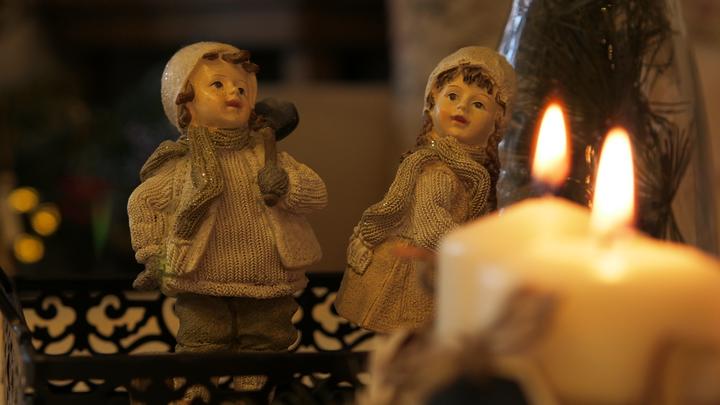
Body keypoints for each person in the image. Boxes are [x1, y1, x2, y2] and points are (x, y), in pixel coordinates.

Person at [127, 42, 327, 390]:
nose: (233, 93)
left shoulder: (270, 158)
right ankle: (196, 393)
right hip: (201, 278)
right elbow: (143, 203)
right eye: (217, 85)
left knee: (267, 342)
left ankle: (252, 393)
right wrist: (152, 253)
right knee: (202, 341)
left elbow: (317, 195)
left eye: (242, 89)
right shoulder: (181, 167)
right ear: (185, 102)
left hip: (269, 278)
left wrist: (287, 185)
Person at [335, 46, 516, 333]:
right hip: (412, 274)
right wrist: (477, 250)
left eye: (478, 104)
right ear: (431, 104)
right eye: (452, 96)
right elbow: (431, 231)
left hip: (438, 264)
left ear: (498, 122)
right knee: (414, 336)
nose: (462, 108)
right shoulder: (437, 171)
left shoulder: (469, 171)